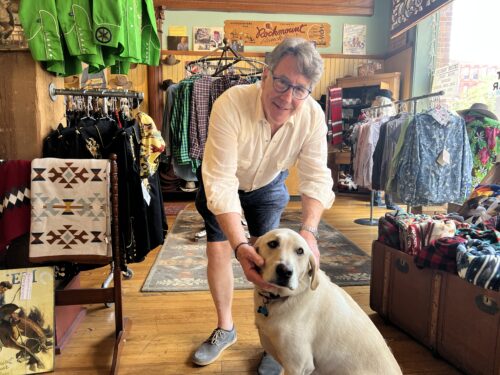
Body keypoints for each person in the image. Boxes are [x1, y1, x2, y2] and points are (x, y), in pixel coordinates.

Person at [191, 38, 335, 374]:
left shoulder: (312, 115)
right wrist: (240, 244)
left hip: (269, 186)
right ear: (265, 74)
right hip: (223, 183)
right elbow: (221, 182)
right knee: (219, 251)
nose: (287, 97)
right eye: (282, 82)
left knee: (275, 261)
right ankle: (225, 329)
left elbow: (316, 177)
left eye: (300, 89)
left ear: (310, 90)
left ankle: (273, 341)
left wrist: (310, 231)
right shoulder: (230, 103)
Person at [370, 89, 399, 210]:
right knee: (388, 170)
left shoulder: (373, 117)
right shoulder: (389, 117)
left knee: (376, 169)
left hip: (374, 146)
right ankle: (389, 202)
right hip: (387, 146)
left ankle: (376, 198)